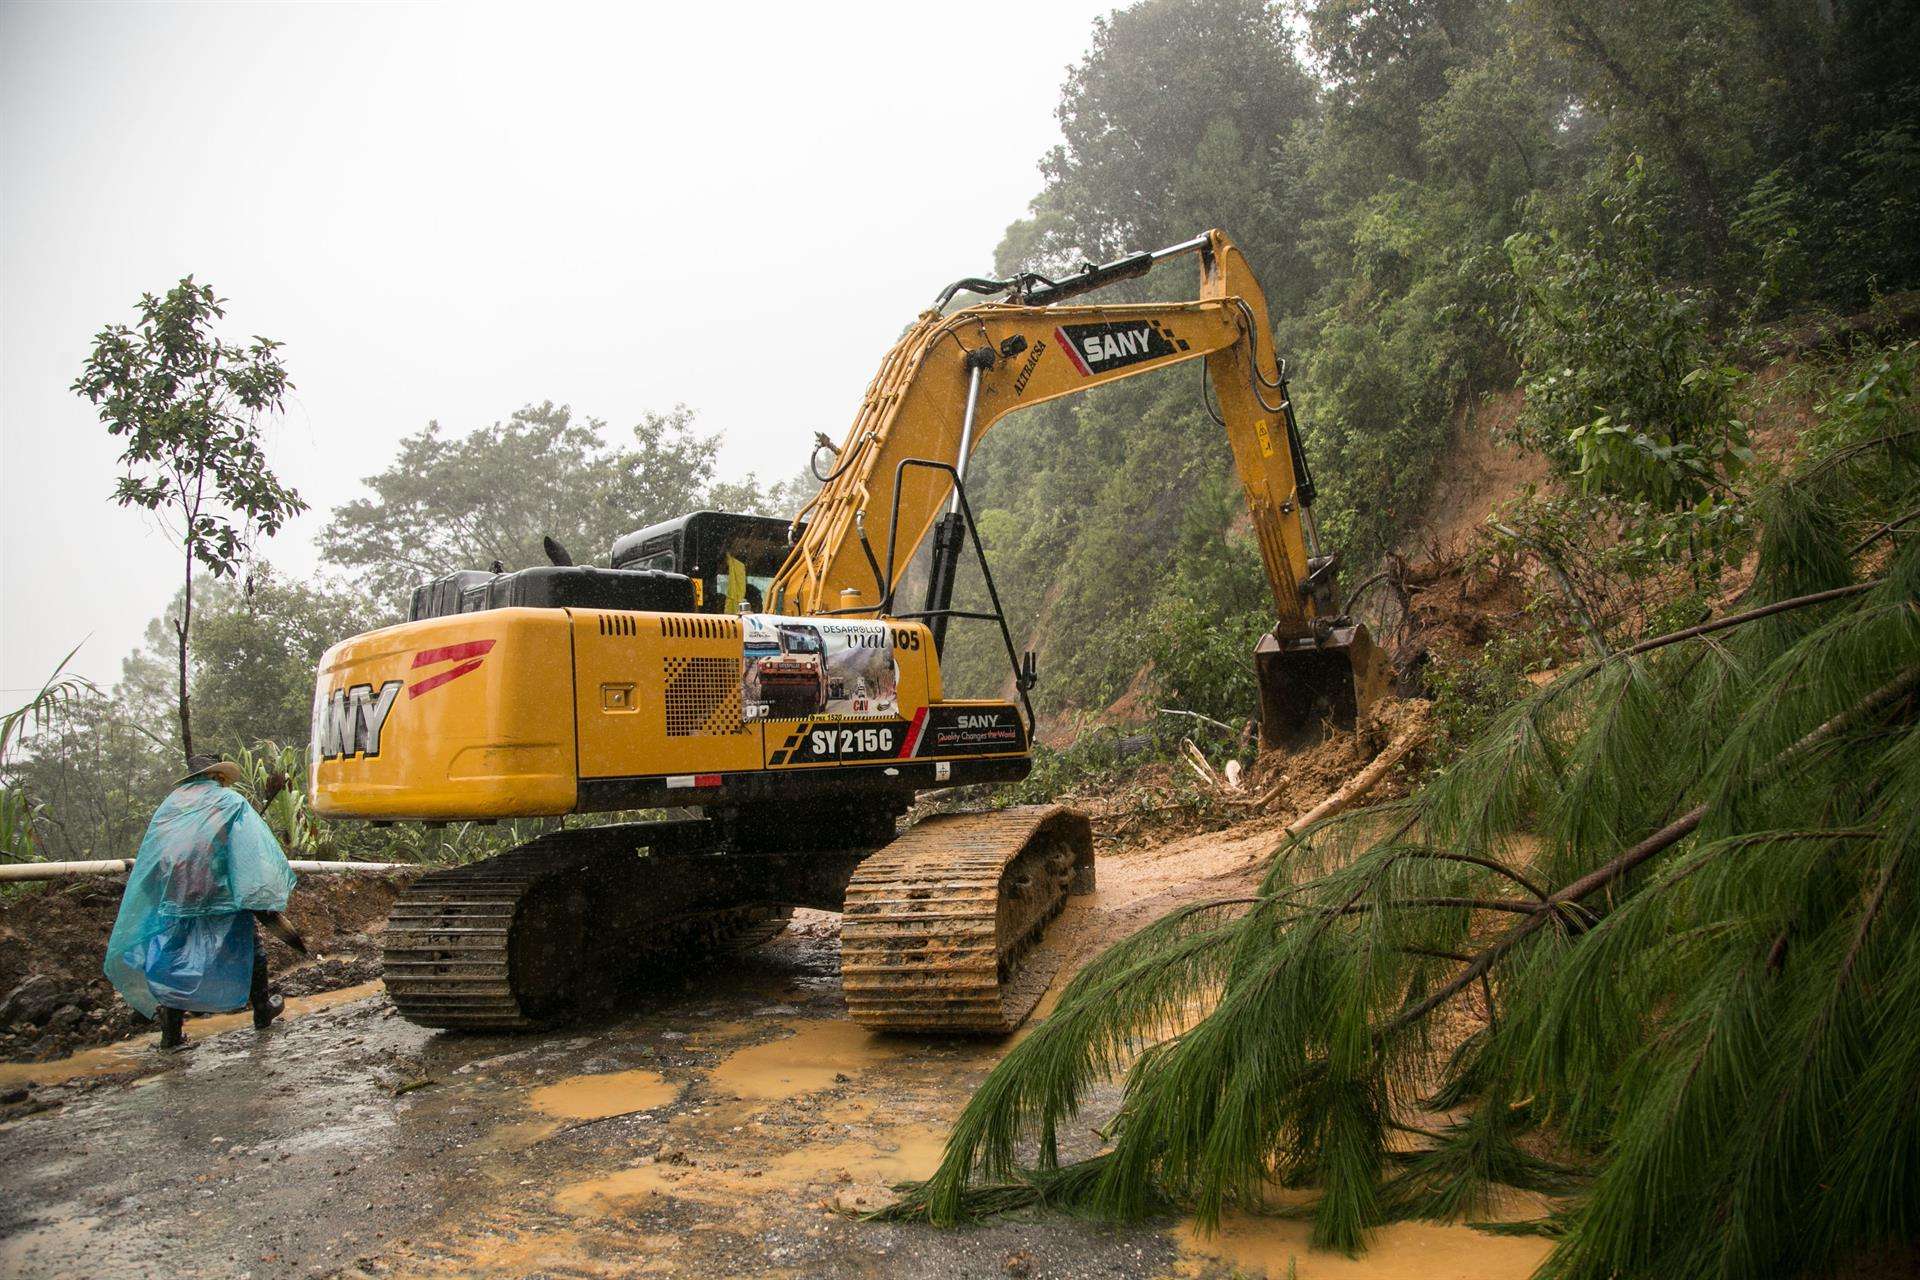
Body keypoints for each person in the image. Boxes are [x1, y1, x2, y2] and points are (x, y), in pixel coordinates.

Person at [103, 754, 306, 1050]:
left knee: (172, 957)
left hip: (177, 894)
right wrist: (254, 893)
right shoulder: (229, 802)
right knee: (250, 949)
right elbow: (248, 849)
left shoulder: (170, 806)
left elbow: (156, 853)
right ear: (217, 777)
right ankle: (262, 1010)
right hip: (220, 893)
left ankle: (170, 1035)